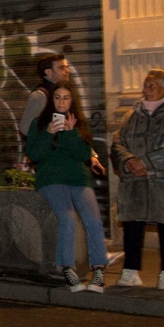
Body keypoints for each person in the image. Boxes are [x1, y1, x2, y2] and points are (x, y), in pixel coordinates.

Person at [110, 69, 164, 290]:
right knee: (133, 226)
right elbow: (118, 143)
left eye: (151, 86)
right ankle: (130, 270)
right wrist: (129, 161)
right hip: (135, 181)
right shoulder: (131, 116)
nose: (145, 90)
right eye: (145, 85)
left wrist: (145, 162)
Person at [27, 80, 107, 293]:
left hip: (78, 178)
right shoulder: (39, 123)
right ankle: (67, 268)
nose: (61, 102)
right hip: (51, 178)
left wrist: (71, 133)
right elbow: (34, 154)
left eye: (66, 98)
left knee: (93, 220)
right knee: (68, 217)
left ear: (73, 101)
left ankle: (98, 270)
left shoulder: (80, 124)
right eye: (57, 97)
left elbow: (83, 155)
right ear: (51, 100)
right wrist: (48, 133)